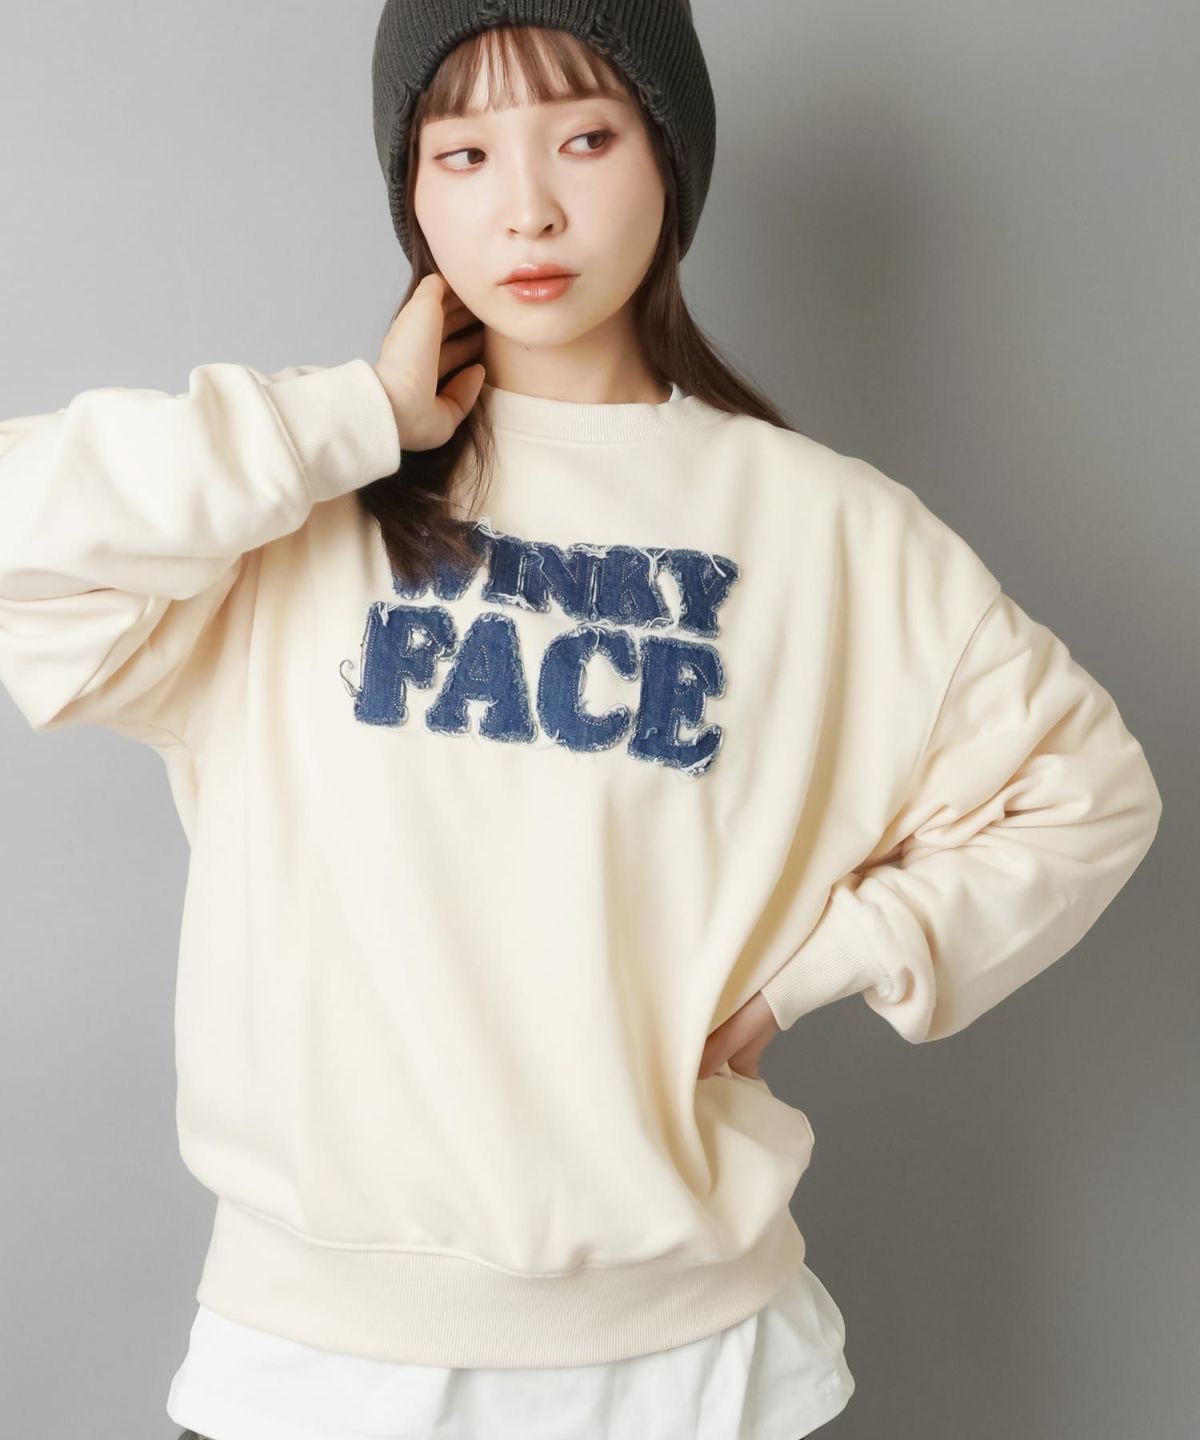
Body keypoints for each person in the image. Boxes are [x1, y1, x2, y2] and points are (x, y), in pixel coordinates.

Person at [0, 3, 1162, 1439]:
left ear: (670, 157)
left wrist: (830, 964)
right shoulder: (293, 512)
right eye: (464, 154)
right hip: (312, 1372)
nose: (528, 208)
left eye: (586, 138)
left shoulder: (825, 530)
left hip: (696, 1378)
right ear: (413, 192)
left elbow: (1087, 789)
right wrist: (348, 419)